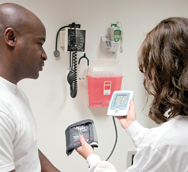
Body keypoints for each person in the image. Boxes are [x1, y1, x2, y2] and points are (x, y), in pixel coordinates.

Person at [76, 17, 188, 172]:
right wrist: (132, 126)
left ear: (164, 69)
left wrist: (92, 158)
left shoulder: (163, 143)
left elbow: (161, 148)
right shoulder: (168, 140)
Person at [0, 3, 60, 172]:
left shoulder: (16, 94)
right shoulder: (1, 109)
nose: (44, 55)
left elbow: (26, 149)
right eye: (39, 43)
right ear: (11, 38)